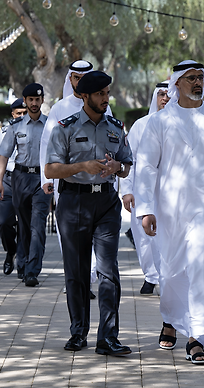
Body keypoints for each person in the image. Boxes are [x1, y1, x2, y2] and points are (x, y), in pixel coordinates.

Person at [135, 60, 204, 364]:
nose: (198, 83)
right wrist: (145, 208)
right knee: (171, 272)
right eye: (192, 78)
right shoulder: (159, 122)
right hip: (169, 211)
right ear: (177, 83)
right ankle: (170, 318)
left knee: (203, 272)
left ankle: (198, 337)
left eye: (201, 78)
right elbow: (145, 167)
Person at [45, 71, 133, 356]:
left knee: (107, 271)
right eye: (100, 94)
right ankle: (78, 332)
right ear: (85, 96)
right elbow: (51, 170)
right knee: (77, 272)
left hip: (106, 204)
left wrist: (115, 169)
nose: (106, 99)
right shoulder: (64, 128)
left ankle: (107, 337)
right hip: (73, 203)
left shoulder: (116, 127)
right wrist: (83, 165)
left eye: (107, 93)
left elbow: (127, 164)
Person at [41, 59, 112, 295]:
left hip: (98, 187)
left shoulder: (104, 106)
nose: (79, 82)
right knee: (69, 237)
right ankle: (75, 278)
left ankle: (88, 278)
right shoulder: (59, 108)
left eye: (83, 78)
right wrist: (47, 180)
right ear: (69, 79)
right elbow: (46, 146)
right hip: (68, 185)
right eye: (75, 78)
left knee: (96, 236)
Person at [0, 84, 52, 287]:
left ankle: (32, 270)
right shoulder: (15, 126)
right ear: (25, 101)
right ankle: (23, 261)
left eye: (37, 99)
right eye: (30, 100)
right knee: (25, 225)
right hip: (20, 178)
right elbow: (4, 154)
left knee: (38, 226)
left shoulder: (50, 125)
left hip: (42, 179)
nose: (34, 103)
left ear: (42, 100)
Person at [121, 81, 169, 295]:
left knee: (169, 234)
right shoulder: (141, 125)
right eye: (161, 94)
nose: (165, 98)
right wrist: (127, 190)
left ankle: (167, 277)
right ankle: (150, 276)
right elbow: (128, 161)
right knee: (143, 235)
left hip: (171, 191)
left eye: (169, 94)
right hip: (143, 190)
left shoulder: (181, 125)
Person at [0, 98, 27, 275]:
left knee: (25, 224)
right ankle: (11, 251)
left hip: (27, 180)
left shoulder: (37, 130)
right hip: (7, 181)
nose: (21, 116)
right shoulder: (6, 130)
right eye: (18, 113)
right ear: (13, 114)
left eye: (24, 113)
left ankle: (23, 260)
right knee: (3, 222)